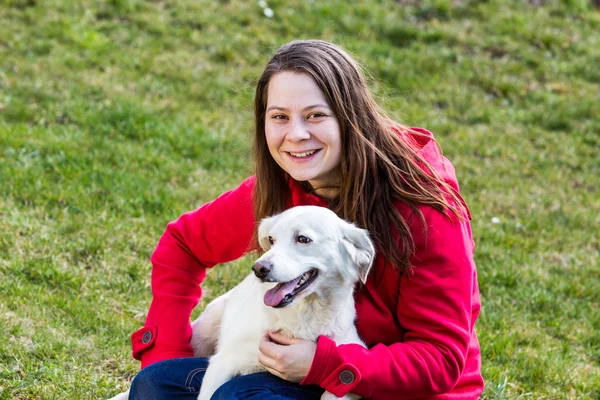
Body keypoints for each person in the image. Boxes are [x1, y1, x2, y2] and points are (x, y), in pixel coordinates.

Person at [126, 40, 484, 399]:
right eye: (280, 117)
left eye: (315, 115)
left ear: (351, 117)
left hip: (390, 389)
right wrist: (165, 353)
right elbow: (183, 245)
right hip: (297, 371)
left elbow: (440, 358)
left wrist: (325, 364)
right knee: (156, 384)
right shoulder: (284, 190)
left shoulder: (424, 210)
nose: (296, 134)